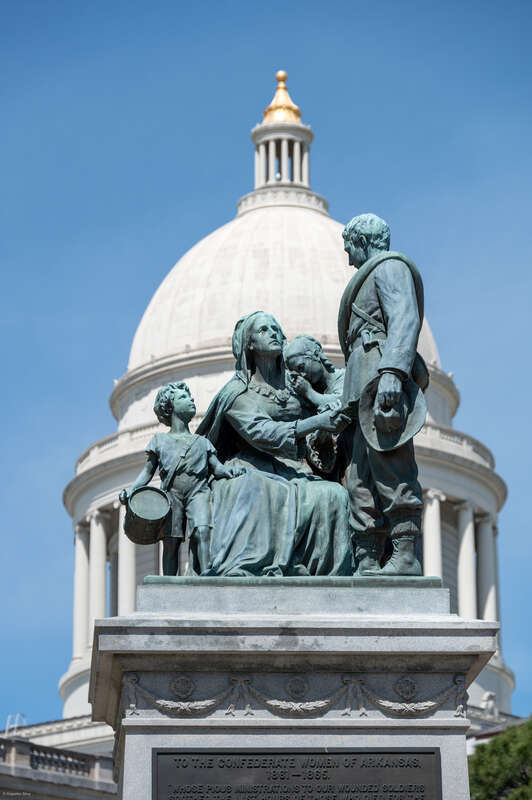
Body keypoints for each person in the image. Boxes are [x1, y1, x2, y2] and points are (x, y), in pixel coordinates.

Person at [197, 311, 354, 577]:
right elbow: (263, 433)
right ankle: (250, 564)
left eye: (275, 328)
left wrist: (324, 431)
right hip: (250, 467)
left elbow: (315, 438)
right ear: (249, 343)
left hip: (294, 468)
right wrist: (317, 423)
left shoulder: (294, 386)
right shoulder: (237, 392)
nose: (272, 333)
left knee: (335, 495)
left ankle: (327, 584)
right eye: (263, 330)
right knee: (259, 490)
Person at [338, 214, 428, 575]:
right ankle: (368, 559)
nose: (348, 258)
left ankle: (404, 556)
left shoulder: (390, 268)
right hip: (362, 383)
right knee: (360, 475)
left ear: (362, 241)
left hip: (380, 379)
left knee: (390, 464)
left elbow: (404, 319)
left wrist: (392, 372)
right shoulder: (369, 274)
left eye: (349, 248)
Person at [119, 381, 243, 575]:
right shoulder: (159, 441)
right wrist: (132, 490)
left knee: (202, 530)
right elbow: (147, 473)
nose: (191, 400)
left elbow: (217, 468)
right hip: (172, 494)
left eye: (190, 397)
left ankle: (206, 574)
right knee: (171, 541)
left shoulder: (202, 442)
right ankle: (169, 581)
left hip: (198, 491)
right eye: (184, 398)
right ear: (170, 407)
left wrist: (230, 471)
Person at [284, 334, 346, 477]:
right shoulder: (305, 399)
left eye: (301, 367)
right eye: (297, 373)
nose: (302, 375)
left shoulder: (345, 376)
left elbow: (342, 403)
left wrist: (309, 393)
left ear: (316, 354)